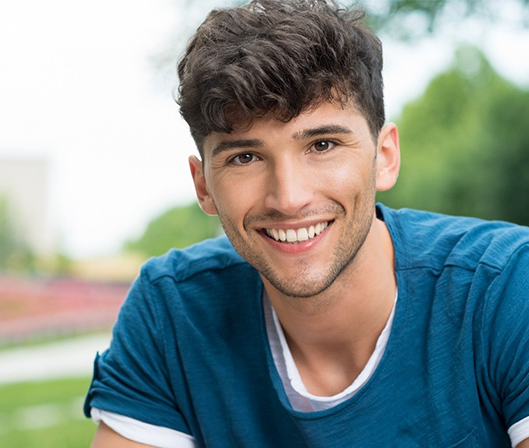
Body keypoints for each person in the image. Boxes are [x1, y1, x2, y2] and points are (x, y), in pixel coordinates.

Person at [84, 0, 529, 446]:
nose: (289, 198)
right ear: (203, 187)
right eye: (246, 157)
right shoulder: (173, 313)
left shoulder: (506, 288)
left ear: (385, 157)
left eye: (322, 145)